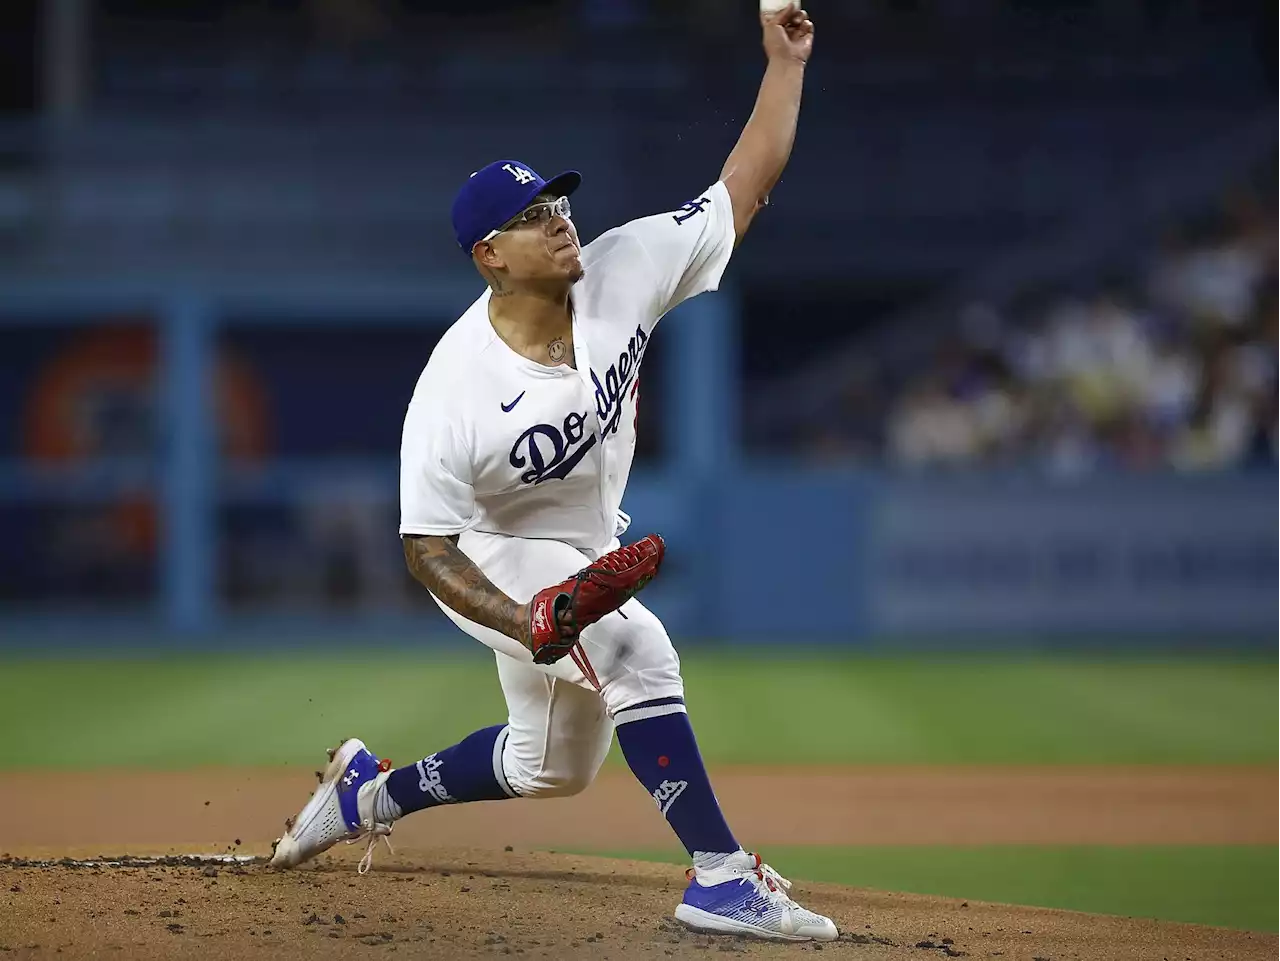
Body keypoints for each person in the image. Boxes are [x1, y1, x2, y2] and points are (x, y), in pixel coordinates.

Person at [269, 4, 834, 942]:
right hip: (489, 558)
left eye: (558, 203)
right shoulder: (455, 389)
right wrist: (520, 615)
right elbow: (425, 547)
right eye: (532, 218)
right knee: (635, 649)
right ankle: (722, 877)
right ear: (489, 255)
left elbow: (746, 186)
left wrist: (784, 63)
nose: (560, 222)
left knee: (552, 768)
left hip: (577, 545)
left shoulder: (625, 266)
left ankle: (371, 794)